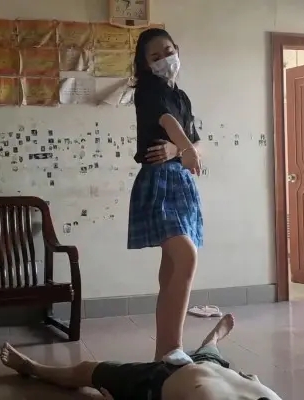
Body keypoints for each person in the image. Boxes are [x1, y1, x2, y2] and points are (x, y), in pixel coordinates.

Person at [128, 27, 203, 365]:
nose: (164, 60)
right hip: (158, 182)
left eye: (168, 51)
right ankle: (174, 349)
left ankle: (165, 352)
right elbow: (168, 121)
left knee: (172, 267)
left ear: (177, 50)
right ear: (145, 64)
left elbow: (198, 141)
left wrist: (180, 150)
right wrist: (185, 148)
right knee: (185, 256)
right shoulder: (147, 90)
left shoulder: (182, 96)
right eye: (155, 57)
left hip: (182, 184)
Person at [0, 314, 282, 400]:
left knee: (88, 370)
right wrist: (251, 380)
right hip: (211, 366)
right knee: (209, 354)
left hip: (156, 381)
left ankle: (31, 367)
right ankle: (213, 340)